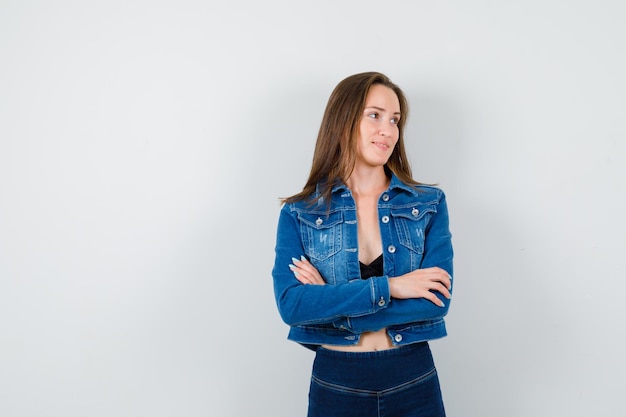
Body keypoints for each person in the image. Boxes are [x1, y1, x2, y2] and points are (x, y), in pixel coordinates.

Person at [272, 71, 454, 417]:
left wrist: (331, 307)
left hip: (412, 377)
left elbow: (435, 302)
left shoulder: (428, 204)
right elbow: (292, 306)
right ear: (343, 121)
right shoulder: (300, 213)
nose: (388, 130)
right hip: (337, 380)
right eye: (374, 115)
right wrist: (394, 287)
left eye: (395, 120)